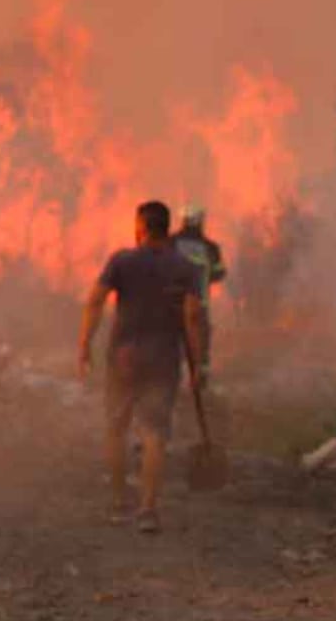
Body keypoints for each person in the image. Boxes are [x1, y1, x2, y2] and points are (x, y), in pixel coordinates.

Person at [78, 201, 205, 534]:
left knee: (116, 429)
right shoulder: (185, 267)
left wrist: (84, 346)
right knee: (154, 434)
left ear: (141, 227)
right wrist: (198, 364)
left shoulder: (122, 260)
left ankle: (120, 502)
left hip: (123, 357)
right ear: (167, 228)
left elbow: (95, 301)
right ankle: (148, 509)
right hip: (163, 359)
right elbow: (192, 317)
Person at [171, 204, 226, 366]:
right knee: (200, 344)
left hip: (172, 303)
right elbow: (219, 273)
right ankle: (200, 382)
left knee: (172, 342)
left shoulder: (170, 243)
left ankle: (169, 381)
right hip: (199, 303)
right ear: (200, 221)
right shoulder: (210, 247)